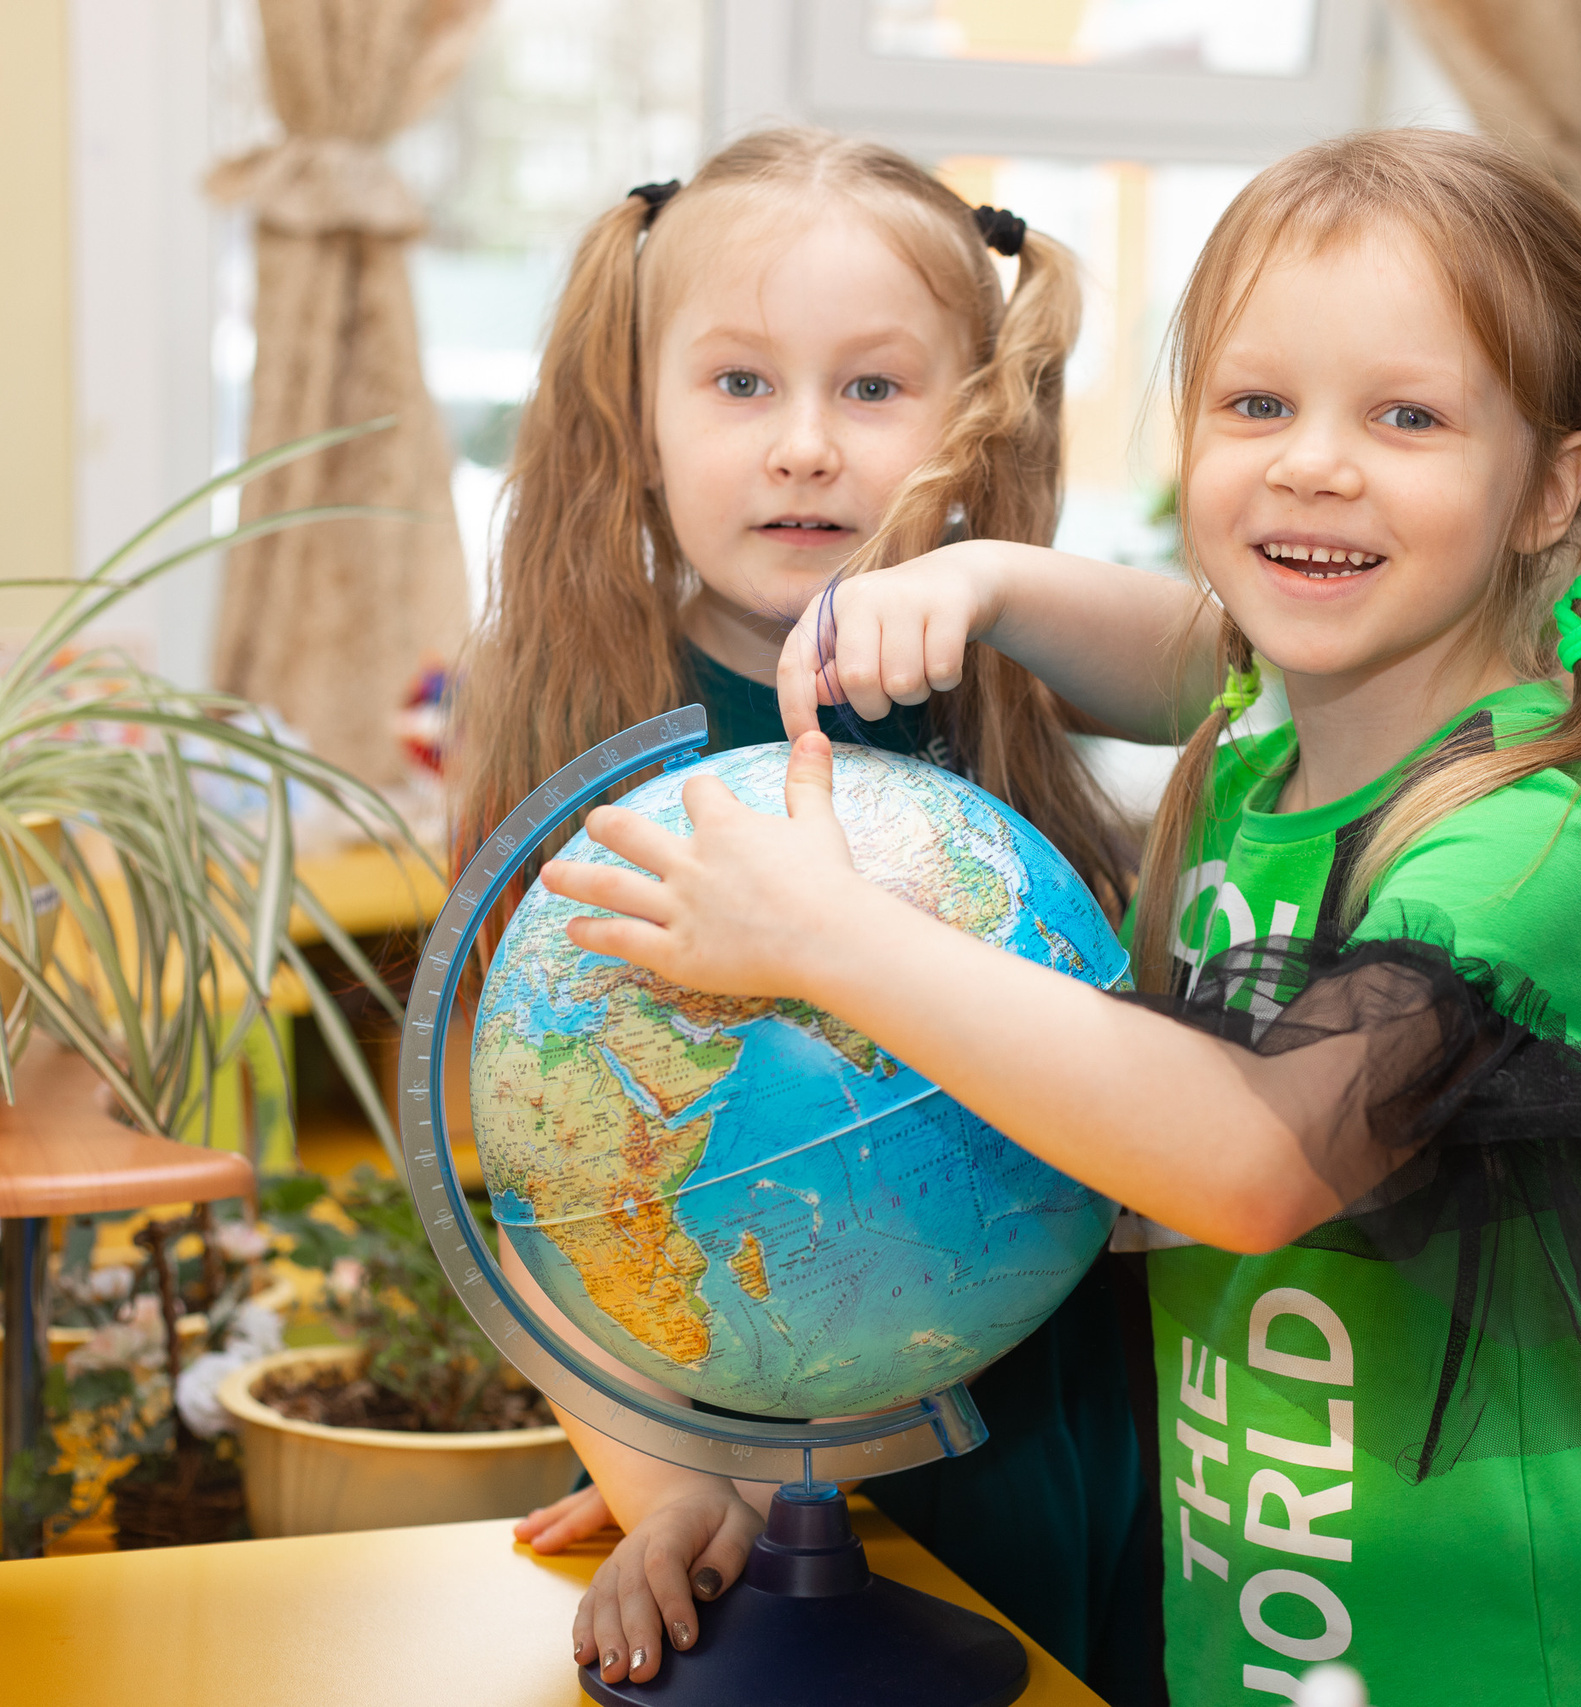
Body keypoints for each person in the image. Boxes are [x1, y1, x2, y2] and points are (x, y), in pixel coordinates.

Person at [542, 127, 1581, 1703]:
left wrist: (831, 941)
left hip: (1476, 1653)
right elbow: (1185, 651)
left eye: (1406, 415)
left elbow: (1244, 1161)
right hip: (1256, 1620)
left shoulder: (1506, 860)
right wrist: (996, 583)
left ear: (1555, 487)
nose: (1313, 462)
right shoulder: (1270, 744)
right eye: (1257, 405)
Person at [445, 128, 1173, 1702]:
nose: (804, 448)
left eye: (872, 386)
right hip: (728, 1447)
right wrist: (666, 1495)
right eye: (738, 384)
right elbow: (554, 1169)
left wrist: (1002, 585)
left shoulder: (1024, 685)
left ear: (970, 426)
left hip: (1026, 1430)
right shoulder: (586, 733)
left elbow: (1230, 666)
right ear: (633, 423)